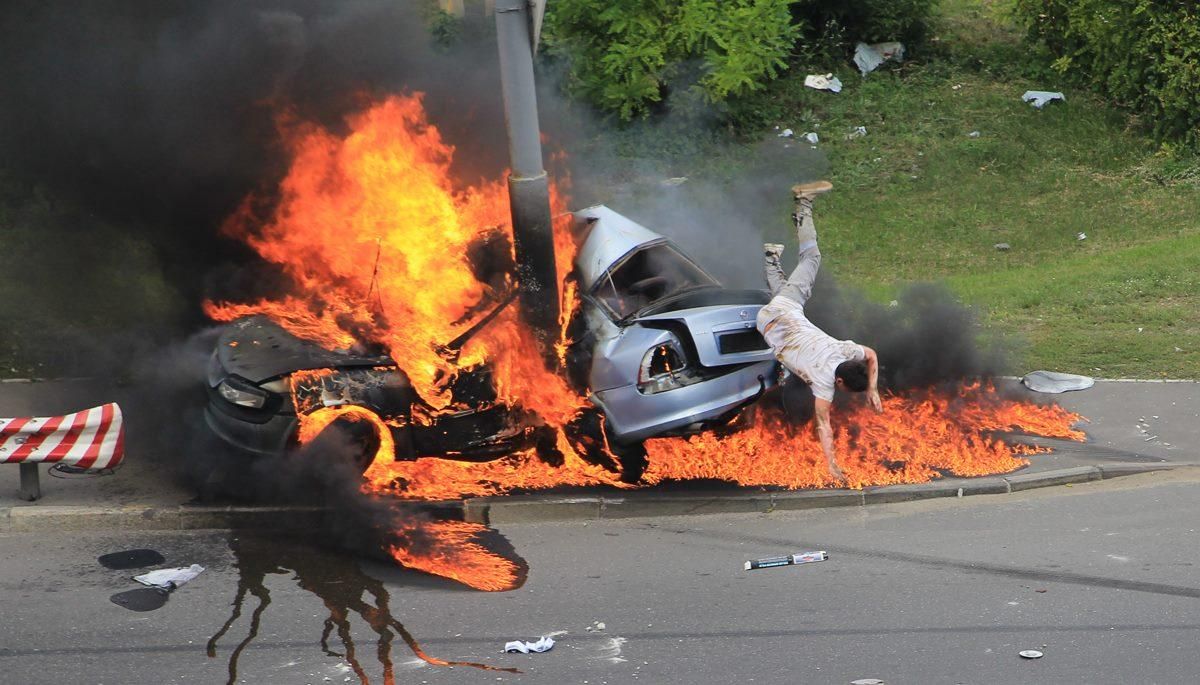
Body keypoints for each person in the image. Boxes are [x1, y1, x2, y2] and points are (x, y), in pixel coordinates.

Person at [758, 181, 882, 481]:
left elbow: (871, 356)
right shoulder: (824, 384)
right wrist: (831, 464)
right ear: (839, 379)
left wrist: (873, 389)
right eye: (843, 389)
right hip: (770, 323)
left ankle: (774, 257)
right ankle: (803, 204)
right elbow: (823, 425)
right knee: (809, 262)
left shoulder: (845, 349)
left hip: (786, 312)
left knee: (803, 275)